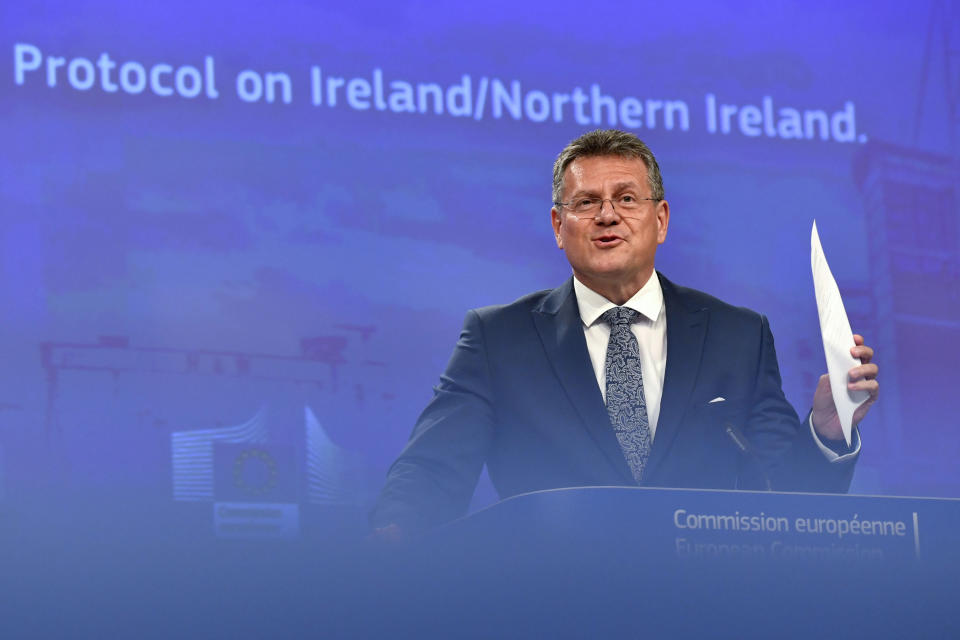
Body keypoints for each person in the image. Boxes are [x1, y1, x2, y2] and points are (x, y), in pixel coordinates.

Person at [371, 129, 878, 534]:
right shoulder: (498, 338)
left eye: (627, 198)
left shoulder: (737, 336)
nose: (607, 215)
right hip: (552, 605)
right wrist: (393, 541)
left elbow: (782, 496)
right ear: (557, 225)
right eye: (586, 202)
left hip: (707, 606)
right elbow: (432, 470)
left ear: (660, 220)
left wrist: (827, 430)